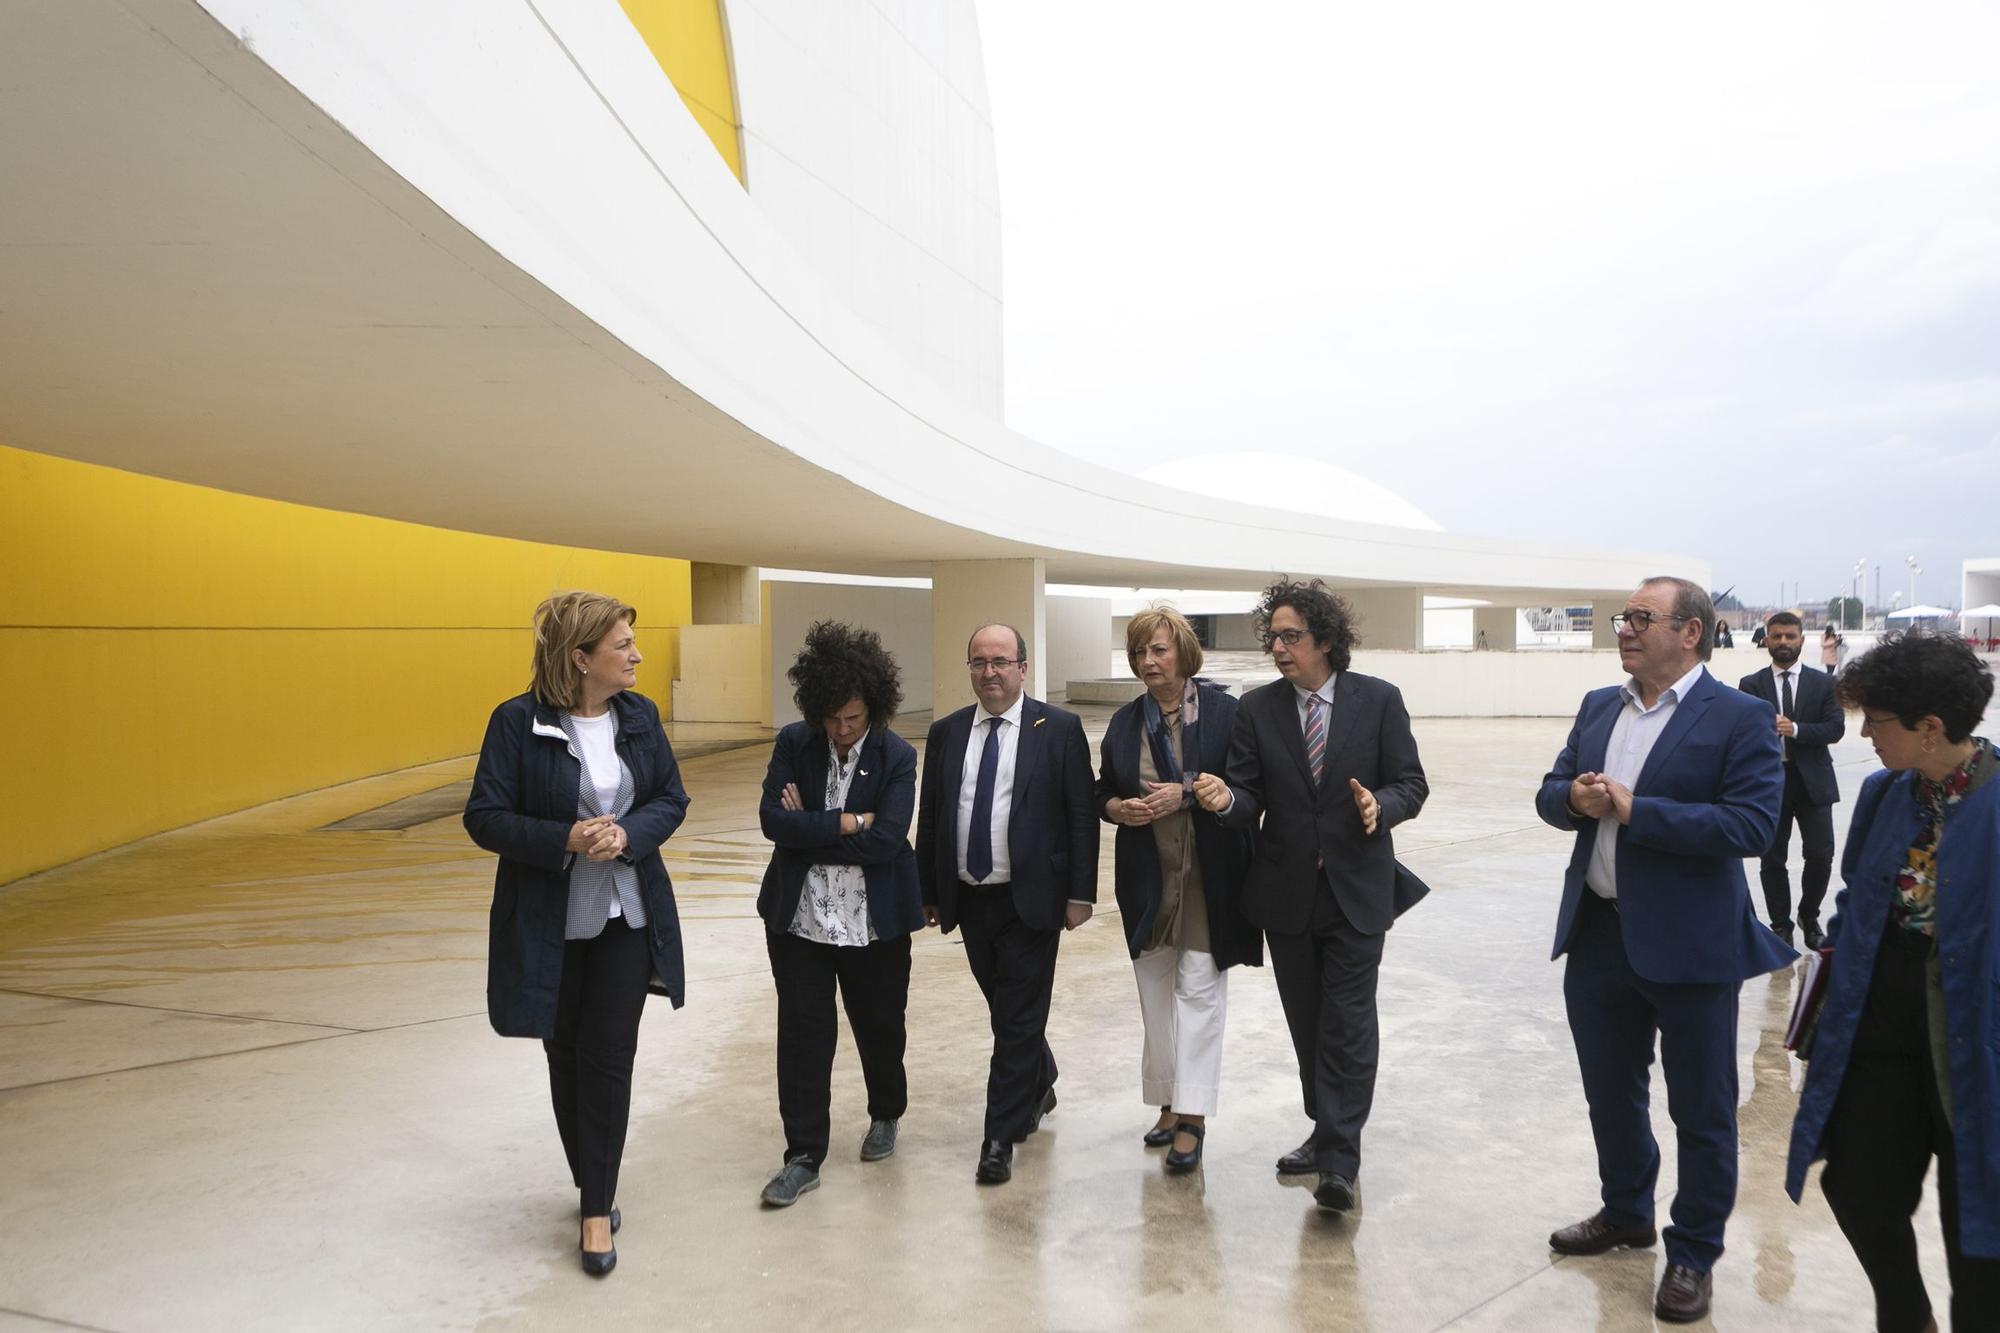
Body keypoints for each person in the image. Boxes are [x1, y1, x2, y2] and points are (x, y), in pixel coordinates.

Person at [1534, 576, 1790, 1324]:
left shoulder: (1740, 717)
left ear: (1692, 632)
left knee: (1701, 1107)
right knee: (1610, 1090)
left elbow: (1750, 827)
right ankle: (1626, 1211)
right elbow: (1550, 791)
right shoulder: (1598, 706)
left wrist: (1637, 810)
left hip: (1692, 944)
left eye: (1642, 618)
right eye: (1623, 617)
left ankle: (1693, 1250)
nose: (1625, 628)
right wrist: (1573, 801)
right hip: (1600, 932)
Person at [464, 591, 690, 1278]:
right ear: (581, 657)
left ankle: (597, 1205)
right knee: (565, 1054)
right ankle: (590, 1175)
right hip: (549, 923)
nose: (637, 655)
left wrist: (626, 833)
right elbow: (485, 816)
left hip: (627, 914)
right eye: (623, 645)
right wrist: (564, 836)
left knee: (609, 1055)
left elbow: (670, 799)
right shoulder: (515, 722)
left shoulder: (640, 716)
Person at [1786, 631, 1999, 1332]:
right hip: (1882, 1029)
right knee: (1858, 1186)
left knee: (1981, 1239)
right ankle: (1907, 1316)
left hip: (1977, 1045)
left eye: (1876, 722)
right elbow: (1855, 899)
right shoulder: (1884, 794)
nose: (1867, 735)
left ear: (1930, 727)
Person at [1199, 578, 1429, 1213]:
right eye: (1271, 637)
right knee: (1309, 1024)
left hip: (1358, 891)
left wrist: (1378, 805)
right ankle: (1326, 1128)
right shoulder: (1258, 708)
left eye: (1290, 636)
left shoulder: (1379, 701)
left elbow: (1411, 784)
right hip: (1288, 893)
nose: (1277, 647)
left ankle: (1339, 1162)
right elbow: (1249, 797)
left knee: (1349, 1025)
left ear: (1325, 639)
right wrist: (1226, 801)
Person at [915, 623, 1098, 1185]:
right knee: (1007, 1011)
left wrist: (1080, 893)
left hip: (1033, 900)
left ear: (1023, 667)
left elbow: (1080, 815)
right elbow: (935, 816)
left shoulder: (1058, 728)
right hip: (970, 901)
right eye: (978, 662)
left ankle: (1000, 1136)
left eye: (1000, 661)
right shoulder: (947, 732)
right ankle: (1040, 1079)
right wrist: (930, 892)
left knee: (1017, 1020)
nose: (989, 672)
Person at [754, 621, 925, 1207]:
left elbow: (890, 842)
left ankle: (885, 1112)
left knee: (880, 1026)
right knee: (803, 1035)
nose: (842, 729)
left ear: (872, 707)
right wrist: (852, 820)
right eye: (831, 717)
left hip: (875, 923)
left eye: (853, 717)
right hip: (798, 920)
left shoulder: (897, 755)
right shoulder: (793, 743)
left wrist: (810, 830)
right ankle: (803, 1154)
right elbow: (773, 824)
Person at [1096, 605, 1262, 1173]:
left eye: (1159, 650)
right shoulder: (1123, 723)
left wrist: (1190, 793)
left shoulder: (1225, 714)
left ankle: (1192, 1117)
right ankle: (1168, 1100)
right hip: (1147, 877)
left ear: (1183, 653)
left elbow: (1248, 787)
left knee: (1198, 989)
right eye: (1140, 651)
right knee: (1153, 991)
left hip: (1207, 875)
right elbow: (1104, 790)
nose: (1148, 661)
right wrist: (1115, 807)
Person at [1739, 610, 1844, 947]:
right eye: (1777, 636)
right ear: (1766, 640)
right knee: (1772, 857)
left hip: (1814, 783)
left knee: (1820, 854)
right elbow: (1741, 734)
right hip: (1770, 784)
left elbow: (1835, 728)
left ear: (1802, 639)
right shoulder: (1751, 685)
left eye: (1790, 636)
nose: (1783, 642)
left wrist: (1794, 729)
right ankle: (1780, 924)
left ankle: (1809, 915)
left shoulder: (1824, 683)